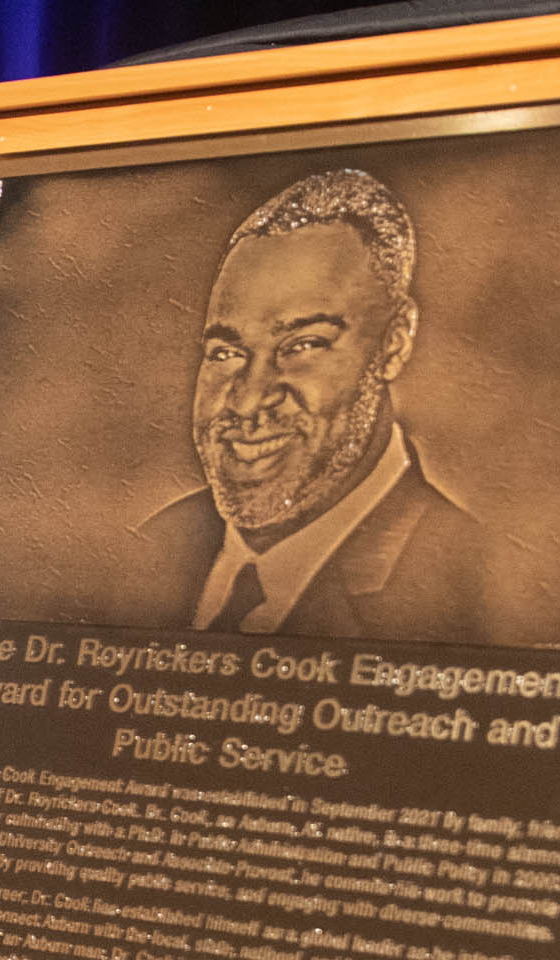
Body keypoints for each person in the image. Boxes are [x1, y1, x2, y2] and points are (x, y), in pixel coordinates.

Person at [142, 167, 477, 632]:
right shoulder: (148, 551)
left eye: (302, 346)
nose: (247, 401)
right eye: (226, 353)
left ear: (394, 343)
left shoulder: (471, 598)